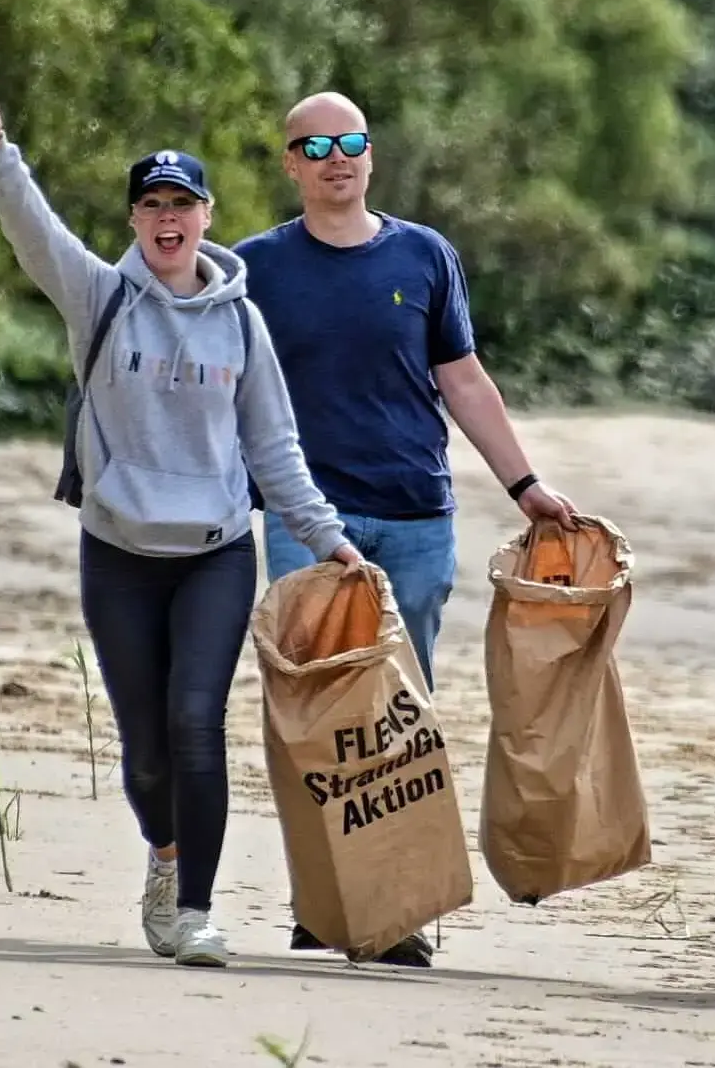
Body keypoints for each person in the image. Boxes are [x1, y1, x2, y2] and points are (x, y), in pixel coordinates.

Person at [0, 73, 362, 970]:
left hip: (213, 552)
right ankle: (163, 860)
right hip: (119, 550)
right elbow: (33, 234)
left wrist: (329, 540)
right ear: (134, 220)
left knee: (197, 722)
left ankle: (195, 909)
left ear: (205, 217)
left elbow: (273, 449)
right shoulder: (100, 297)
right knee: (148, 746)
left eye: (183, 205)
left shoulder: (241, 323)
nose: (168, 219)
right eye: (151, 205)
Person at [233, 91, 580, 967]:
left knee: (398, 721)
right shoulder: (253, 268)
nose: (335, 158)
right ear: (291, 163)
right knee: (309, 715)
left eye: (350, 142)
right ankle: (323, 901)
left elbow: (462, 380)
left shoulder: (424, 255)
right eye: (315, 146)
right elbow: (213, 383)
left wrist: (524, 482)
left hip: (416, 514)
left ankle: (398, 908)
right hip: (307, 519)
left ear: (371, 154)